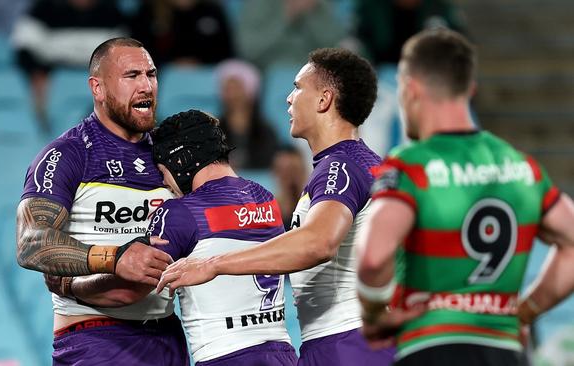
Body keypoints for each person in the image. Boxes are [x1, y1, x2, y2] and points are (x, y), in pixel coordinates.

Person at [157, 48, 395, 365]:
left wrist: (213, 264)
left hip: (347, 343)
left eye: (298, 88)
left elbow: (318, 242)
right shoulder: (361, 162)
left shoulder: (342, 166)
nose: (288, 98)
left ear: (324, 100)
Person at [355, 29, 574, 366]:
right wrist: (524, 313)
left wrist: (373, 313)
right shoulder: (522, 167)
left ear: (410, 88)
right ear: (470, 90)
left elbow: (372, 258)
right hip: (505, 351)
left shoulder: (411, 166)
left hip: (431, 346)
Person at [16, 37, 188, 365]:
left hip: (167, 335)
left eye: (151, 75)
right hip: (95, 337)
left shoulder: (170, 155)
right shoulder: (67, 154)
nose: (146, 85)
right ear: (97, 88)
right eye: (132, 76)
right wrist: (114, 259)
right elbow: (30, 243)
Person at [150, 109, 297, 365]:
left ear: (181, 161)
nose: (165, 183)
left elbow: (137, 285)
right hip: (283, 354)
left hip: (224, 357)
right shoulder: (266, 199)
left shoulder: (180, 211)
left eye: (164, 172)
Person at [217, 59, 279, 169]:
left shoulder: (266, 131)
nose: (231, 95)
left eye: (237, 88)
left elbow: (270, 165)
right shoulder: (212, 130)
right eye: (227, 89)